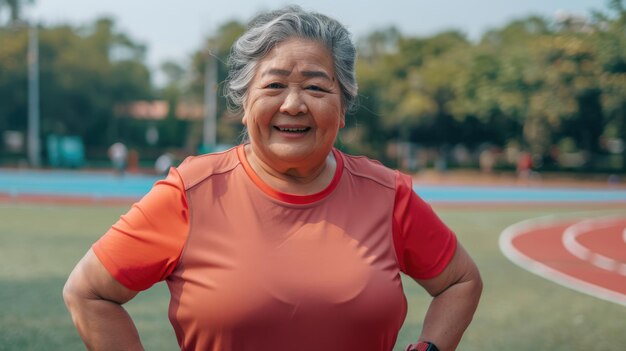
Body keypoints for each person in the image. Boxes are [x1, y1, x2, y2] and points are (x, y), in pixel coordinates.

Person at [63, 6, 482, 351]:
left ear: (343, 106)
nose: (294, 105)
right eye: (275, 85)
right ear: (244, 103)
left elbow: (460, 282)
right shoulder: (191, 192)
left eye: (317, 88)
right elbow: (89, 292)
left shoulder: (388, 194)